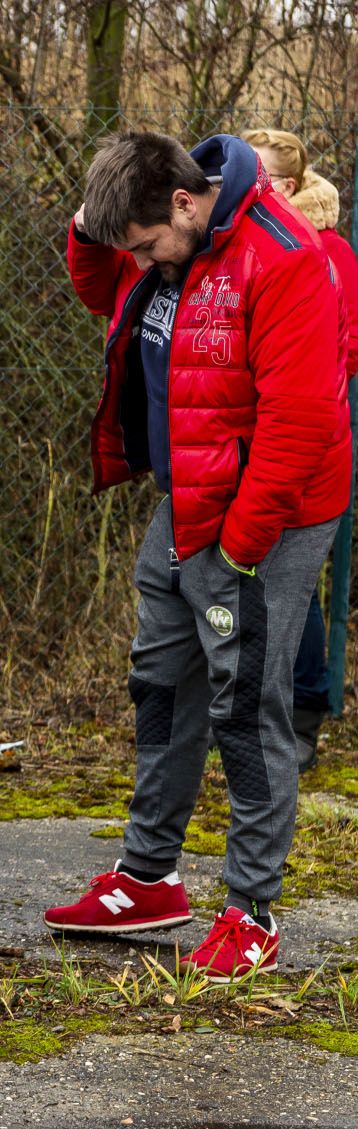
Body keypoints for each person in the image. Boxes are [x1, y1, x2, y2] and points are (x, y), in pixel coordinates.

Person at [46, 132, 350, 981]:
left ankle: (252, 910)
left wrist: (240, 549)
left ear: (184, 205)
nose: (138, 261)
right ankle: (149, 876)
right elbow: (99, 287)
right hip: (184, 504)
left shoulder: (284, 259)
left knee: (246, 707)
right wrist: (92, 218)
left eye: (143, 244)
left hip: (265, 523)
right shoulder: (167, 242)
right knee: (160, 681)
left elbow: (302, 426)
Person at [239, 128, 358, 771]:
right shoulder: (235, 244)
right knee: (251, 580)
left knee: (293, 588)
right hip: (247, 445)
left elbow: (353, 345)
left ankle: (303, 710)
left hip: (307, 438)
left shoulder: (328, 252)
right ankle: (251, 716)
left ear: (283, 187)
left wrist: (301, 363)